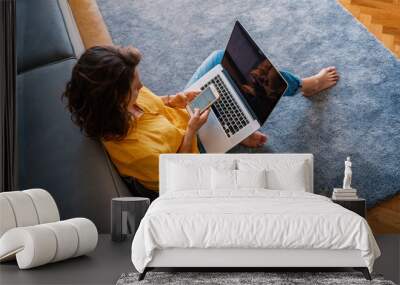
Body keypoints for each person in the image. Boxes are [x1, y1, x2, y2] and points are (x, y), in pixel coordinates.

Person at [63, 46, 339, 200]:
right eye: (135, 88)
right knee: (233, 94)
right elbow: (179, 174)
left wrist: (179, 97)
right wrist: (192, 130)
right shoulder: (135, 150)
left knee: (222, 59)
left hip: (188, 116)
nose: (142, 88)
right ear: (114, 100)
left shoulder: (125, 101)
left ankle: (299, 86)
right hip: (193, 152)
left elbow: (158, 101)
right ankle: (235, 130)